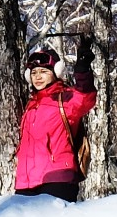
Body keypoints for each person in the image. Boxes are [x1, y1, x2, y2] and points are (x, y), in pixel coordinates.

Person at [13, 38, 97, 202]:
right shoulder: (30, 105)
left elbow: (85, 98)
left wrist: (83, 71)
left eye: (44, 72)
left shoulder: (65, 99)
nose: (38, 77)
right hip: (25, 182)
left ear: (56, 73)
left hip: (58, 179)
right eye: (34, 72)